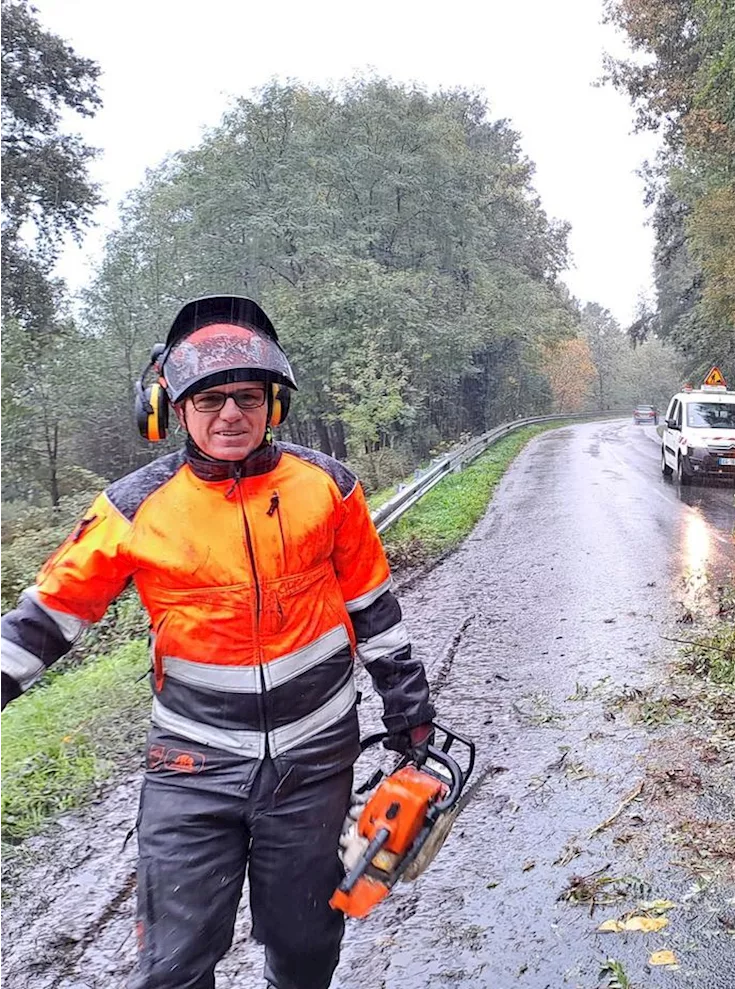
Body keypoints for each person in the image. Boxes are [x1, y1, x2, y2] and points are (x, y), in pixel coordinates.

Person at [0, 295, 436, 989]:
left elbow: (374, 609)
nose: (229, 413)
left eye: (246, 396)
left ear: (273, 405)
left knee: (303, 949)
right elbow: (43, 618)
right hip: (191, 765)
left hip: (315, 758)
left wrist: (409, 711)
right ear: (172, 409)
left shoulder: (329, 488)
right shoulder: (135, 506)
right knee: (172, 965)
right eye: (207, 398)